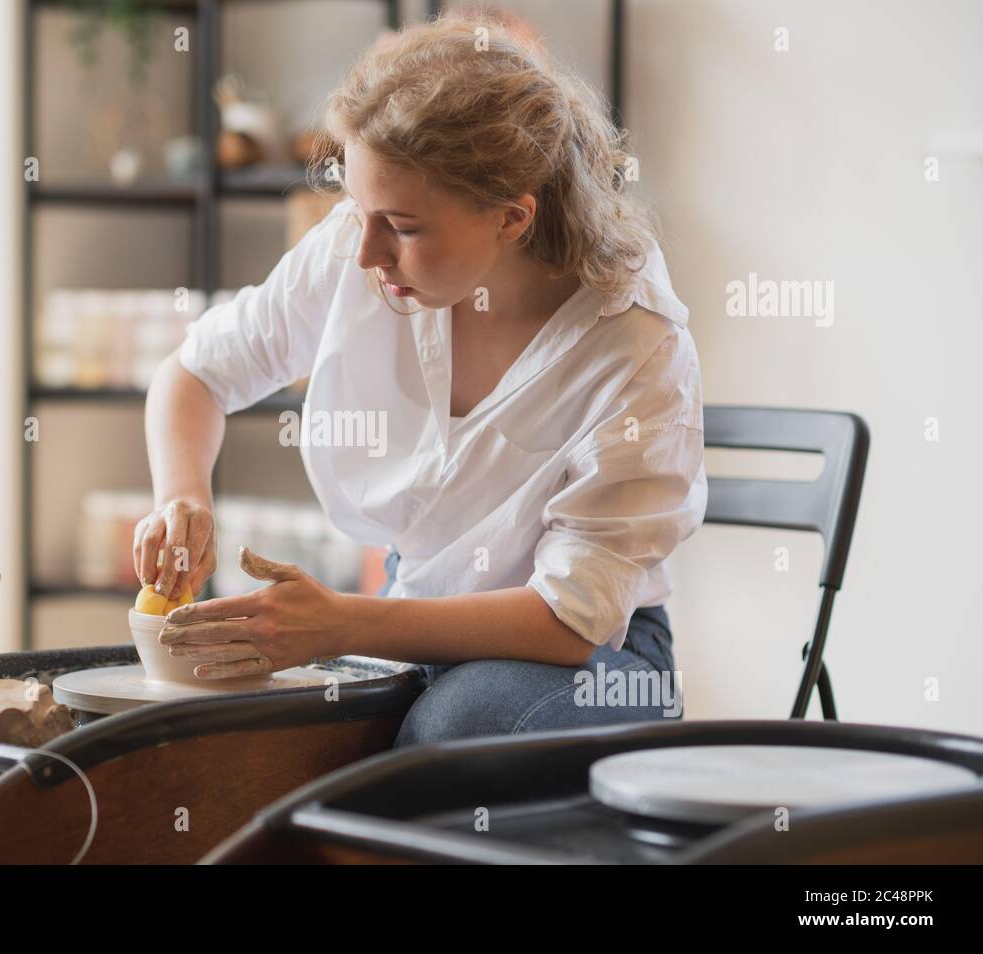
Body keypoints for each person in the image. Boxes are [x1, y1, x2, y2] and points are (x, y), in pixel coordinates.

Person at [133, 16, 707, 745]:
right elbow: (194, 374)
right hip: (412, 616)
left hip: (597, 657)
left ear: (512, 218)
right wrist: (182, 498)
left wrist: (342, 623)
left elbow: (568, 619)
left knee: (450, 727)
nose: (365, 252)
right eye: (359, 209)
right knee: (273, 733)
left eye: (403, 227)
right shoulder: (357, 246)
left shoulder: (636, 342)